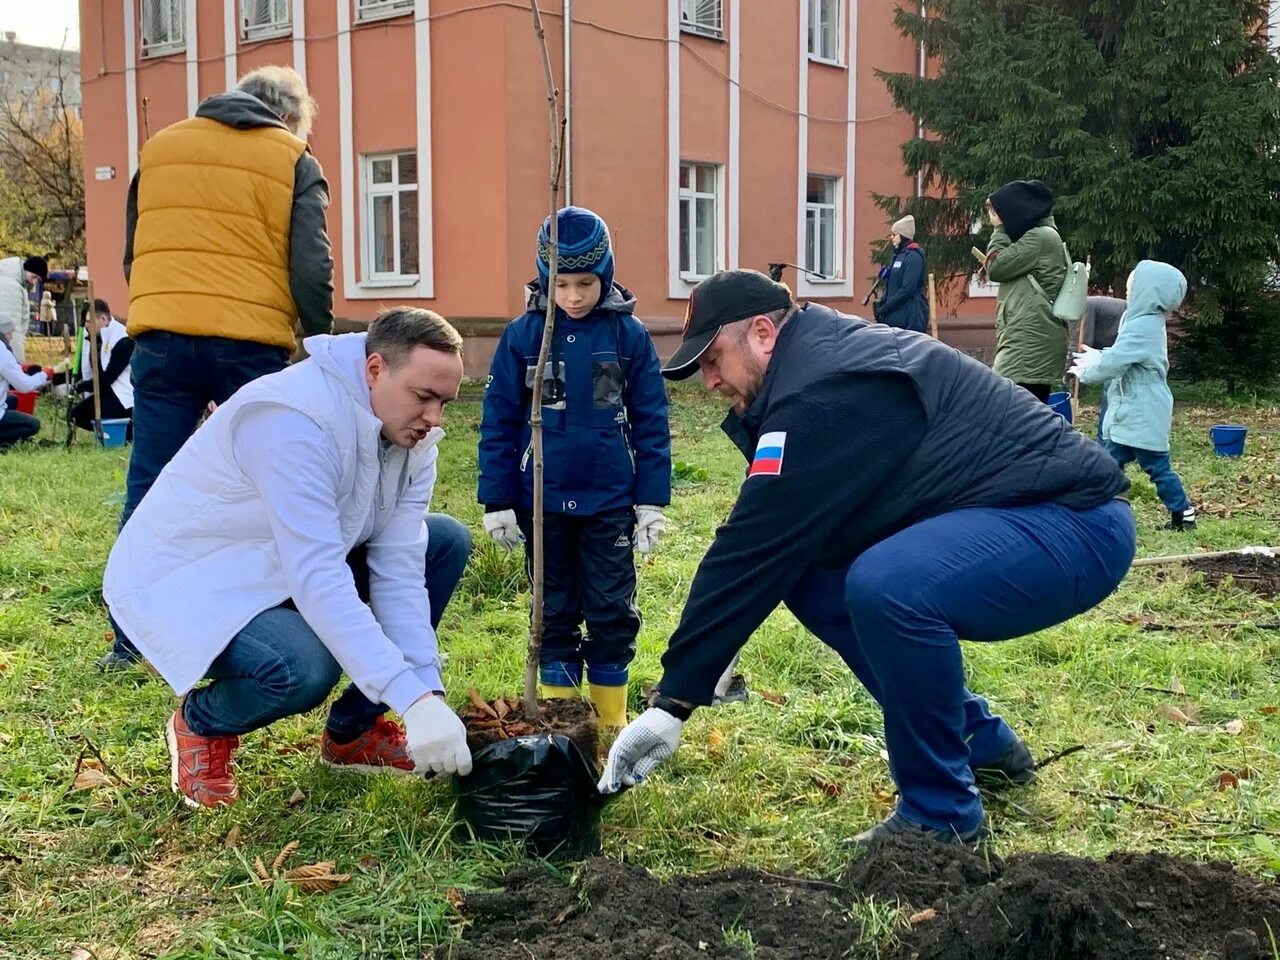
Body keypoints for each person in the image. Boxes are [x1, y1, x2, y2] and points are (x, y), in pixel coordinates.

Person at [597, 269, 1136, 845]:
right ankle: (980, 742)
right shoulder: (814, 370)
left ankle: (939, 815)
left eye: (713, 360)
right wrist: (711, 649)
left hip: (1073, 524)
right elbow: (776, 537)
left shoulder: (831, 387)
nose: (708, 382)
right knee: (812, 575)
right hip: (1012, 517)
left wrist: (674, 699)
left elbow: (755, 540)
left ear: (762, 332)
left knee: (888, 586)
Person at [103, 308, 474, 808]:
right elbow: (318, 576)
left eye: (444, 403)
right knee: (301, 666)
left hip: (282, 570)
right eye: (423, 397)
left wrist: (425, 693)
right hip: (191, 583)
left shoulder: (413, 437)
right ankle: (201, 723)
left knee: (443, 541)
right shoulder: (294, 420)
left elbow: (399, 568)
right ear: (374, 369)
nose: (434, 419)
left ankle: (352, 734)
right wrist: (410, 697)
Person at [100, 64, 335, 670]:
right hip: (249, 346)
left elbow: (135, 251)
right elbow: (310, 265)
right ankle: (260, 619)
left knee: (152, 481)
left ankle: (131, 639)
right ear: (286, 119)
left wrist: (164, 312)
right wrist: (317, 342)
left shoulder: (161, 147)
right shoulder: (292, 157)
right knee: (265, 481)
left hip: (160, 338)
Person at [478, 206, 671, 729]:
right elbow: (498, 419)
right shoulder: (522, 337)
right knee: (553, 610)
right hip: (539, 501)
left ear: (604, 273)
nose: (573, 297)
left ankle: (609, 727)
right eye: (561, 284)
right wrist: (497, 500)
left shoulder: (628, 337)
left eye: (585, 283)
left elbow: (652, 419)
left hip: (608, 500)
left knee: (611, 610)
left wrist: (650, 501)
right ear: (545, 279)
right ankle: (566, 724)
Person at [1073, 261, 1195, 531]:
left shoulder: (1145, 326)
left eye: (1132, 286)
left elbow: (1119, 359)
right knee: (1109, 461)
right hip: (1132, 413)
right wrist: (1098, 356)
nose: (1128, 291)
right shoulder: (1139, 319)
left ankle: (1183, 512)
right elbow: (1121, 354)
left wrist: (1090, 371)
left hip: (1142, 413)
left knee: (1156, 468)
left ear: (1148, 292)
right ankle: (1102, 508)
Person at [984, 180, 1069, 402]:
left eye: (996, 212)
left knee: (1014, 415)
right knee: (1025, 420)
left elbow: (996, 267)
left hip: (1029, 346)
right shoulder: (1041, 236)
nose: (991, 218)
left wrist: (1000, 229)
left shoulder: (1040, 238)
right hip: (1029, 341)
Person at [52, 299, 134, 438]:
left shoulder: (122, 340)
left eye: (90, 321)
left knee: (85, 414)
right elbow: (88, 371)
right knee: (76, 414)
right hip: (107, 391)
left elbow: (107, 378)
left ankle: (126, 433)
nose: (87, 326)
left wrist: (81, 387)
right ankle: (110, 432)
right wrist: (56, 377)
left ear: (103, 318)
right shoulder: (98, 337)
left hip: (124, 397)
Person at [0, 312, 57, 450]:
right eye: (9, 333)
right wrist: (45, 374)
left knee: (12, 400)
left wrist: (20, 368)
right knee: (33, 425)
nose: (11, 336)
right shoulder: (2, 352)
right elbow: (24, 386)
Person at [873, 215, 928, 332]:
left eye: (894, 234)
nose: (891, 238)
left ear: (903, 236)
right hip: (896, 317)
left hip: (910, 318)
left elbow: (908, 289)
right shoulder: (898, 256)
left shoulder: (913, 257)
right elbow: (893, 285)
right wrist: (882, 304)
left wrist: (886, 307)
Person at [1082, 295, 1126, 440]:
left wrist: (1075, 382)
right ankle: (1105, 439)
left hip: (1120, 346)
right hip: (1114, 345)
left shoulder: (1082, 308)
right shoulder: (1085, 305)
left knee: (1110, 388)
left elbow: (1082, 345)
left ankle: (1104, 440)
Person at [0, 255, 47, 363]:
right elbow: (12, 330)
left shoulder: (10, 280)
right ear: (26, 269)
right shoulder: (11, 287)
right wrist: (17, 362)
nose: (34, 282)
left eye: (37, 280)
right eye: (34, 277)